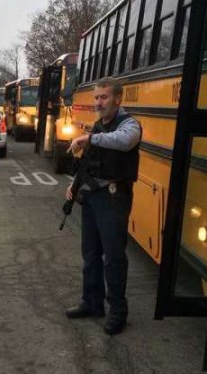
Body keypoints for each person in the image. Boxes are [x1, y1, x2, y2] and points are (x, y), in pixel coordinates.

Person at [64, 77, 142, 335]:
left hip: (113, 197)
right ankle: (91, 302)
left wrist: (91, 138)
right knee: (91, 255)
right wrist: (74, 186)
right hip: (93, 195)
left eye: (104, 97)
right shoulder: (97, 126)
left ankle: (118, 312)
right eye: (96, 98)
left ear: (117, 99)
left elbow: (124, 141)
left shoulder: (129, 124)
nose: (99, 102)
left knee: (114, 257)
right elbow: (87, 162)